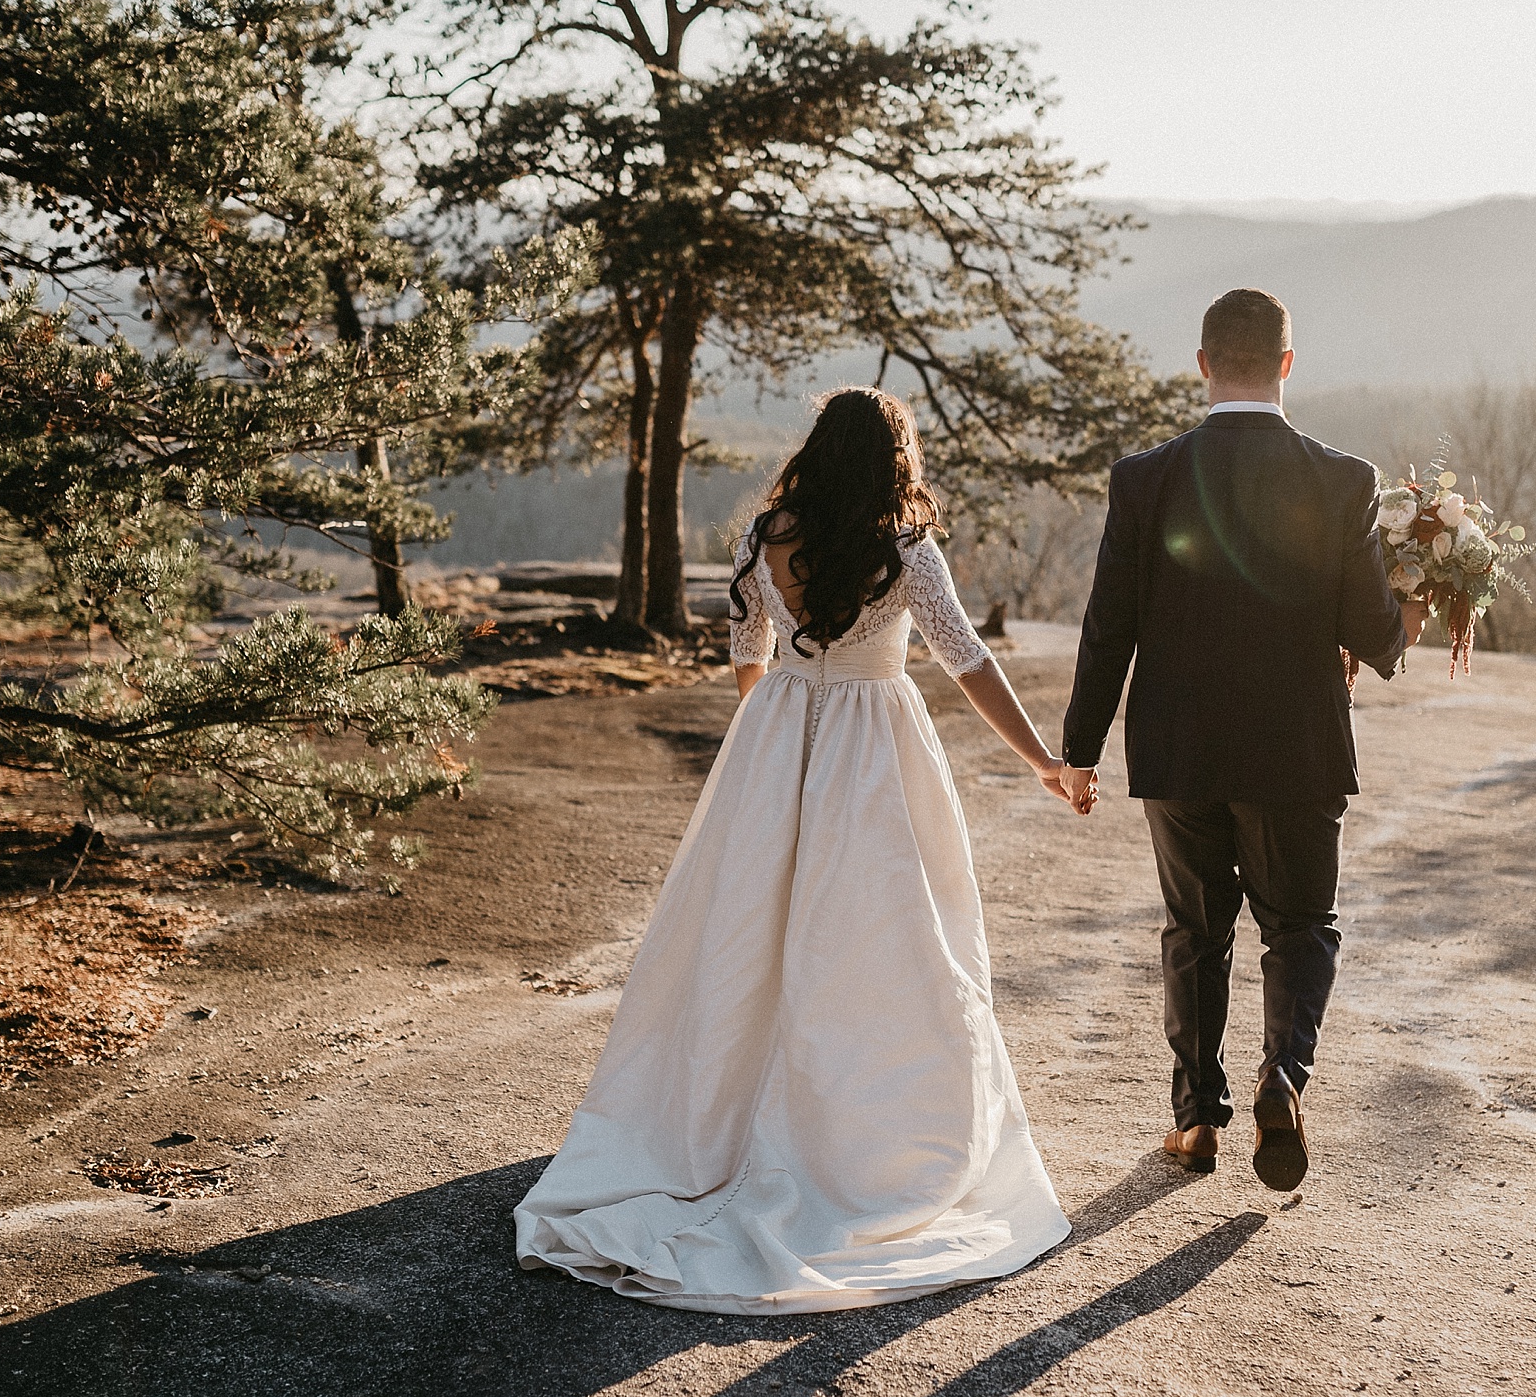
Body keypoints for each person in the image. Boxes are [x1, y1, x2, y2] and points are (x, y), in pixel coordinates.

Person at [513, 387, 1075, 1314]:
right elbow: (967, 660)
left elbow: (749, 650)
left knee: (747, 928)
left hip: (774, 733)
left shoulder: (765, 534)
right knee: (878, 941)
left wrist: (773, 741)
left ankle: (719, 1123)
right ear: (892, 460)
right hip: (875, 748)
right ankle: (851, 1138)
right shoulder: (905, 550)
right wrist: (1045, 761)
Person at [1059, 288, 1425, 1193]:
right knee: (1300, 924)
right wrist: (1411, 614)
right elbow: (1371, 632)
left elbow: (1110, 623)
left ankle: (1193, 1119)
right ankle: (1283, 1078)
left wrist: (1079, 749)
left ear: (1204, 365)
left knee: (1195, 927)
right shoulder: (1344, 480)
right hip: (1296, 747)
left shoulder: (1144, 478)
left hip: (1178, 748)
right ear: (1288, 366)